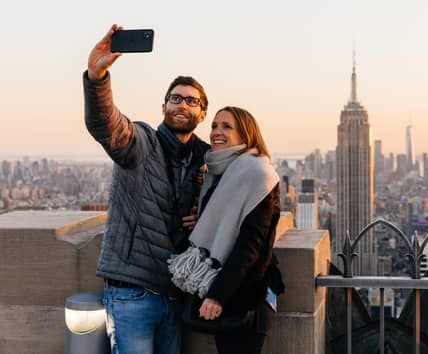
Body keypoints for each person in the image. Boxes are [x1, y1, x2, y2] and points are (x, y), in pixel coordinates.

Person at [83, 24, 210, 354]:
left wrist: (203, 218)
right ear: (164, 106)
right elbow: (106, 124)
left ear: (202, 112)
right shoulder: (142, 142)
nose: (182, 105)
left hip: (176, 294)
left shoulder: (207, 159)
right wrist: (97, 79)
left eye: (191, 101)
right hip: (132, 292)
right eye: (175, 98)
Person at [169, 106, 283, 354]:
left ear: (246, 135)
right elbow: (223, 226)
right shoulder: (222, 173)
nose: (216, 132)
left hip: (247, 296)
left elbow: (249, 246)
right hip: (231, 291)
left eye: (227, 127)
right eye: (214, 126)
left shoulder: (257, 174)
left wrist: (217, 296)